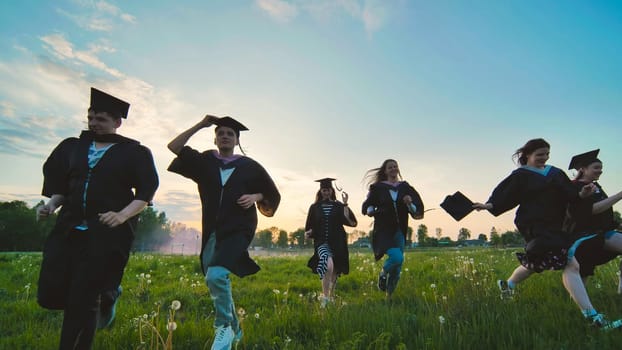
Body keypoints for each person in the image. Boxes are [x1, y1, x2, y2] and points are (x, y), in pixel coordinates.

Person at [36, 87, 159, 349]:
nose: (93, 123)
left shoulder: (134, 152)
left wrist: (122, 215)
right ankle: (109, 294)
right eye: (90, 117)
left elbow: (145, 193)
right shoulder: (72, 146)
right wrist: (50, 206)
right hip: (68, 230)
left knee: (81, 301)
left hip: (104, 236)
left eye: (101, 119)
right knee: (51, 290)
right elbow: (61, 187)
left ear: (117, 122)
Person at [473, 138, 621, 330]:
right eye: (540, 155)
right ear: (527, 155)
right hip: (533, 224)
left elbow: (571, 195)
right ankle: (593, 319)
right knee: (570, 262)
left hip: (556, 225)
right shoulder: (520, 175)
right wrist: (488, 205)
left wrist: (583, 194)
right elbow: (504, 196)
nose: (544, 158)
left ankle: (507, 284)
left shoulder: (555, 173)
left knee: (537, 262)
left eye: (547, 154)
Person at [167, 114, 280, 350]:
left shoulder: (249, 166)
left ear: (237, 139)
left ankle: (223, 328)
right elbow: (174, 147)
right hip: (212, 229)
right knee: (214, 278)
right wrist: (201, 123)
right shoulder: (205, 161)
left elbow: (272, 193)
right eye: (221, 133)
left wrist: (255, 196)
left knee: (216, 276)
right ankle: (236, 329)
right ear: (215, 138)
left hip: (239, 228)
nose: (225, 136)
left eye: (230, 133)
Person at [361, 159, 424, 298]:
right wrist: (371, 210)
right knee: (397, 257)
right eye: (390, 167)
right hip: (384, 229)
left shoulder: (405, 187)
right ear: (385, 171)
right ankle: (383, 273)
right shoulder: (378, 187)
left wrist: (410, 204)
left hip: (400, 229)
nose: (394, 169)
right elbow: (368, 204)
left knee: (397, 267)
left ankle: (389, 296)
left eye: (395, 166)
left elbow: (415, 210)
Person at [565, 150, 622, 286]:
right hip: (585, 236)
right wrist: (619, 195)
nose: (600, 171)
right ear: (583, 169)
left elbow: (604, 213)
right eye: (596, 168)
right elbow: (590, 210)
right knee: (581, 274)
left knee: (582, 275)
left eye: (601, 168)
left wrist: (617, 225)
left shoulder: (596, 186)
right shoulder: (576, 187)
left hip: (603, 233)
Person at [305, 178, 357, 307]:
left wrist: (345, 204)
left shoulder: (338, 205)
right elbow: (310, 226)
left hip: (338, 242)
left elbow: (349, 221)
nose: (326, 192)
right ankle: (325, 298)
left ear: (331, 191)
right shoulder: (314, 207)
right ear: (320, 191)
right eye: (324, 190)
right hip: (321, 242)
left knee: (334, 271)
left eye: (328, 190)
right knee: (327, 265)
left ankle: (330, 297)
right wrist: (308, 232)